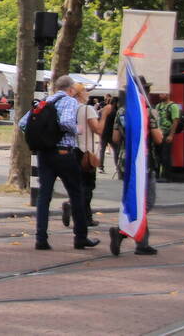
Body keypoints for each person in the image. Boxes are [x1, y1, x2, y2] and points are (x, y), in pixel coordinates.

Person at [18, 75, 99, 251]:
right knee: (76, 194)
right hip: (64, 153)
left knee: (44, 196)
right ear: (71, 89)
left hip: (44, 154)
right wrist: (77, 130)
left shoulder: (44, 101)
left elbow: (22, 123)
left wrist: (43, 138)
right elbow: (66, 122)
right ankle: (80, 237)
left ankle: (41, 238)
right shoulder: (70, 101)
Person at [109, 77, 163, 256]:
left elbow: (115, 138)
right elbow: (158, 138)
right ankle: (122, 231)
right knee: (145, 201)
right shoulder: (146, 111)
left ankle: (142, 243)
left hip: (126, 160)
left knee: (132, 198)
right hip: (144, 161)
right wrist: (157, 123)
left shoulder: (122, 111)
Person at [61, 83, 109, 230]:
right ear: (81, 94)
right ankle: (83, 216)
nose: (88, 94)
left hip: (71, 150)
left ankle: (81, 213)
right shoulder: (87, 109)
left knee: (78, 185)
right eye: (86, 92)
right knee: (87, 186)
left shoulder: (69, 109)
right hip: (85, 152)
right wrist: (105, 114)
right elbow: (98, 129)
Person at [152, 93, 181, 182]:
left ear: (168, 94)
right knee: (157, 155)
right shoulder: (158, 106)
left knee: (165, 155)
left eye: (162, 94)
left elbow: (175, 121)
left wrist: (171, 135)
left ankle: (167, 176)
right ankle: (157, 174)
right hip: (158, 134)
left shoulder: (173, 106)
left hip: (167, 134)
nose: (160, 95)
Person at [100, 95, 119, 174]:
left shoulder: (105, 109)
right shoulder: (115, 111)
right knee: (116, 150)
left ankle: (101, 167)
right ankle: (117, 167)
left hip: (104, 132)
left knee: (102, 150)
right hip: (111, 133)